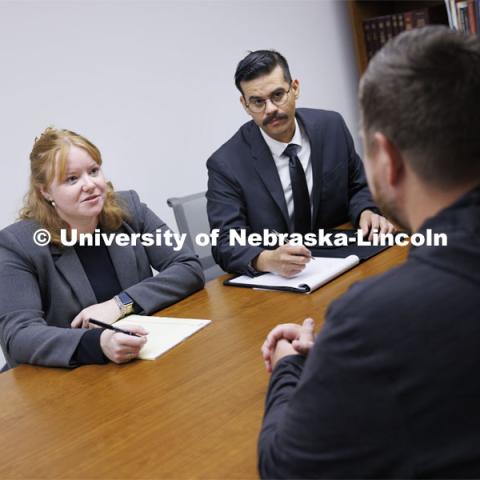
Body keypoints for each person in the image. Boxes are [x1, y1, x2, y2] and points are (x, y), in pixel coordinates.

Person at [258, 26, 480, 478]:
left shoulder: (375, 317)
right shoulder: (228, 159)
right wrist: (350, 354)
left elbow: (286, 468)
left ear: (387, 158)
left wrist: (289, 367)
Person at [0, 128, 204, 370]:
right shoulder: (17, 244)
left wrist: (120, 304)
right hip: (67, 380)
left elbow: (187, 266)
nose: (90, 185)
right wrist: (98, 343)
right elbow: (19, 335)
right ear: (45, 191)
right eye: (71, 179)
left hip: (140, 360)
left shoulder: (129, 208)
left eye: (94, 171)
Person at [206, 50, 394, 277]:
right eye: (257, 102)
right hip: (282, 281)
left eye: (277, 95)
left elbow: (357, 185)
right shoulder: (226, 163)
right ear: (245, 105)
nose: (271, 109)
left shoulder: (331, 126)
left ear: (294, 88)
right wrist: (265, 259)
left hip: (344, 260)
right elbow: (224, 242)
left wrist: (366, 211)